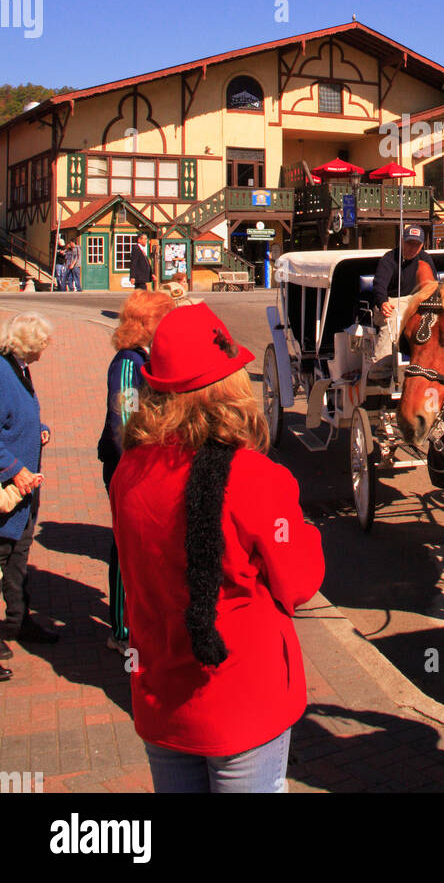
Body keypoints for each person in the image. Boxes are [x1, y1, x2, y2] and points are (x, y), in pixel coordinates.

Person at [110, 303, 324, 793]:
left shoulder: (130, 471)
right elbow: (300, 582)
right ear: (229, 385)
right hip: (243, 697)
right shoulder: (254, 477)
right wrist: (305, 530)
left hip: (162, 692)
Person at [97, 290, 180, 653]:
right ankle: (122, 630)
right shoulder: (128, 362)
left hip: (147, 463)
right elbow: (124, 419)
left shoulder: (144, 358)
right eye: (165, 318)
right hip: (129, 466)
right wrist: (139, 467)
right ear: (149, 323)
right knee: (125, 545)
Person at [0, 314, 59, 667]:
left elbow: (21, 415)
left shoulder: (19, 368)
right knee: (3, 557)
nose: (46, 349)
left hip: (24, 487)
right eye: (43, 343)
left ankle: (19, 620)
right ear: (29, 344)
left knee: (19, 553)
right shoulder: (3, 372)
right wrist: (14, 469)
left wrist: (40, 428)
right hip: (11, 485)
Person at [372, 226, 438, 319]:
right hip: (393, 301)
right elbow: (379, 285)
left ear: (422, 245)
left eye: (417, 244)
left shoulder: (425, 258)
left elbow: (433, 284)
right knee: (393, 323)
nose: (413, 248)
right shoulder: (389, 259)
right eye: (410, 243)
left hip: (418, 301)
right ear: (402, 241)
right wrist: (383, 302)